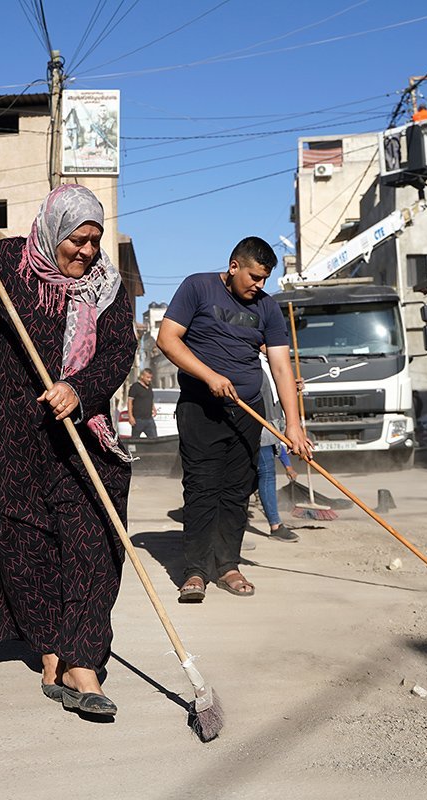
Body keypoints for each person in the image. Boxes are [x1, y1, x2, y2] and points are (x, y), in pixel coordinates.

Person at [0, 184, 136, 717]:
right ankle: (51, 651)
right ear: (52, 231)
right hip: (10, 433)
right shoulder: (6, 263)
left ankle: (84, 662)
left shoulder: (109, 289)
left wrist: (80, 388)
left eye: (95, 241)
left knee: (95, 541)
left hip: (79, 434)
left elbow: (119, 352)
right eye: (78, 240)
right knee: (24, 543)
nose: (87, 252)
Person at [157, 236, 311, 602]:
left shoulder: (268, 309)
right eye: (255, 277)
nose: (260, 286)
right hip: (200, 407)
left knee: (237, 490)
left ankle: (227, 565)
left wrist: (293, 424)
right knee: (201, 488)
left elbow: (279, 365)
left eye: (265, 279)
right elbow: (167, 339)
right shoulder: (198, 287)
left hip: (248, 411)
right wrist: (209, 376)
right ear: (234, 266)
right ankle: (195, 571)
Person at [255, 349, 300, 542]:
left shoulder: (270, 361)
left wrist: (291, 388)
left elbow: (275, 393)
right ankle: (275, 525)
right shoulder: (251, 361)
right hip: (259, 426)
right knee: (265, 473)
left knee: (262, 475)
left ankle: (274, 523)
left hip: (273, 424)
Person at [127, 368, 157, 438]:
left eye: (151, 378)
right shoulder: (135, 387)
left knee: (154, 440)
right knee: (135, 441)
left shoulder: (149, 386)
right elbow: (129, 401)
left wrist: (154, 408)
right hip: (138, 420)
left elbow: (150, 398)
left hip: (149, 419)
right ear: (142, 376)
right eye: (148, 377)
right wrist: (130, 417)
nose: (149, 379)